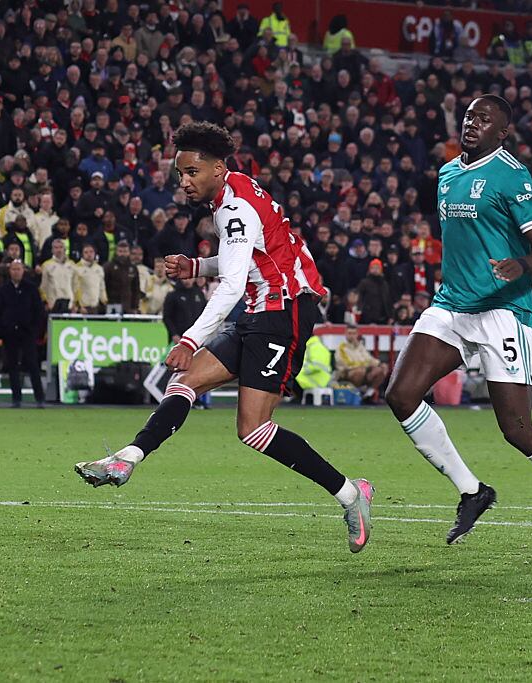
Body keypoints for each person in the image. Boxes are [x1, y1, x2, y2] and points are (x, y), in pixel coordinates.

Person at [75, 122, 374, 553]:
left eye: (192, 172)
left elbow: (233, 284)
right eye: (180, 173)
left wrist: (190, 338)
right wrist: (198, 267)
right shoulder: (233, 191)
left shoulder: (233, 208)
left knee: (252, 429)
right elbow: (248, 258)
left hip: (284, 312)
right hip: (262, 308)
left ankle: (350, 493)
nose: (184, 181)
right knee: (183, 384)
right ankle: (128, 457)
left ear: (218, 168)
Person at [383, 95, 532, 558]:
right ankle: (472, 491)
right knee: (400, 394)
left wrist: (520, 264)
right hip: (453, 305)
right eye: (470, 116)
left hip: (503, 313)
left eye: (484, 119)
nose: (472, 123)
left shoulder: (512, 175)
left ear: (503, 132)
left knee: (517, 430)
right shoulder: (449, 173)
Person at [0, 259, 46, 408]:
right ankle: (16, 399)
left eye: (19, 269)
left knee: (32, 365)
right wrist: (2, 330)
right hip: (10, 333)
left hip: (27, 332)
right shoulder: (4, 290)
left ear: (23, 271)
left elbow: (38, 311)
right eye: (13, 269)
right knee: (12, 366)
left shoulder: (31, 288)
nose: (16, 272)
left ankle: (39, 398)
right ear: (9, 271)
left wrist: (34, 329)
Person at [335, 324, 389, 403]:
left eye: (354, 333)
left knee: (380, 369)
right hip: (347, 373)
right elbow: (344, 364)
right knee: (359, 371)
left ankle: (368, 393)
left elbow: (369, 359)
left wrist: (379, 364)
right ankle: (359, 393)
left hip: (363, 371)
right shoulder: (341, 347)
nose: (352, 336)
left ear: (357, 334)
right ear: (345, 334)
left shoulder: (360, 346)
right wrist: (363, 366)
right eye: (350, 333)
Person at [104, 240, 141, 313]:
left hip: (128, 306)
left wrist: (135, 307)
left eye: (125, 251)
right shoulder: (108, 267)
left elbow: (136, 289)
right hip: (111, 305)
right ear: (116, 252)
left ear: (129, 252)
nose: (123, 254)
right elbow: (104, 286)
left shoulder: (133, 268)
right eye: (120, 251)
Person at [40, 238, 75, 313]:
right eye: (56, 247)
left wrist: (75, 303)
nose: (58, 250)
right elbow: (43, 286)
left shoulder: (72, 265)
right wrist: (45, 302)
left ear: (65, 249)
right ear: (52, 250)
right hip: (53, 303)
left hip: (69, 303)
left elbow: (75, 284)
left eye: (61, 247)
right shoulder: (47, 265)